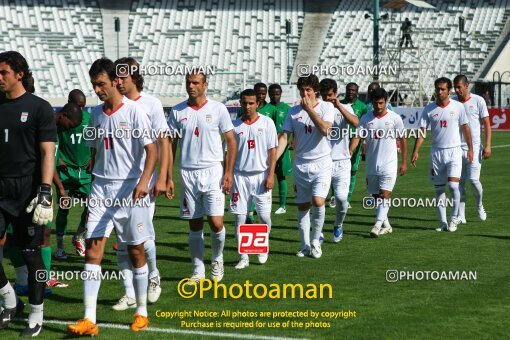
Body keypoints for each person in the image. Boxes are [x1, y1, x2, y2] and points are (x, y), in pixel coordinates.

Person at [67, 57, 157, 335]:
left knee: (134, 250)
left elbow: (152, 151)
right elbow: (96, 147)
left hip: (130, 189)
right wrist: (94, 165)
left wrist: (144, 182)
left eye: (102, 84)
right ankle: (89, 319)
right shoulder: (95, 114)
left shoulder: (134, 112)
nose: (97, 90)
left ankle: (141, 311)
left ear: (116, 81)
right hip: (100, 189)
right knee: (93, 251)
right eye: (94, 85)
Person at [0, 51, 57, 337]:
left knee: (31, 254)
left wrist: (45, 190)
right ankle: (10, 301)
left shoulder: (39, 108)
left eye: (3, 73)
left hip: (28, 191)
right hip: (0, 188)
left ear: (19, 74)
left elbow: (48, 151)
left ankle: (36, 314)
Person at [167, 69, 237, 283]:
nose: (191, 86)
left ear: (205, 85)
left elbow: (232, 141)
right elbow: (171, 143)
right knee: (194, 223)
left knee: (216, 222)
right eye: (188, 82)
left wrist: (228, 172)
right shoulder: (177, 111)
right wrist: (168, 176)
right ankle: (198, 271)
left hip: (213, 171)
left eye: (196, 82)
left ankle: (217, 259)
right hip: (188, 173)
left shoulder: (218, 109)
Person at [112, 57, 169, 309]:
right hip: (115, 184)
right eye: (116, 77)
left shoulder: (151, 104)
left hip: (142, 182)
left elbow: (163, 142)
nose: (119, 82)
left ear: (135, 77)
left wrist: (165, 177)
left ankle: (154, 275)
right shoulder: (111, 105)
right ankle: (129, 292)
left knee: (143, 237)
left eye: (123, 77)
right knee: (121, 239)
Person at [276, 74, 334, 259]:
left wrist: (309, 111)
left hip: (322, 163)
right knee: (302, 207)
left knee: (318, 202)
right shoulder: (293, 112)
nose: (304, 93)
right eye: (302, 90)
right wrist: (273, 160)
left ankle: (316, 241)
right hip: (301, 164)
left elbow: (325, 130)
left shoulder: (327, 107)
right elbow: (285, 138)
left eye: (308, 90)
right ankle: (304, 245)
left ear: (316, 91)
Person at [411, 77, 473, 232]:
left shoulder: (458, 107)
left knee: (453, 185)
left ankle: (454, 219)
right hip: (436, 153)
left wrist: (470, 149)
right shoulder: (429, 109)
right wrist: (416, 151)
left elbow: (465, 129)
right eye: (437, 89)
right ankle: (442, 222)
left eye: (443, 89)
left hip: (454, 151)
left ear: (449, 90)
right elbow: (422, 132)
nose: (439, 92)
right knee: (439, 190)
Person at [230, 89, 277, 269]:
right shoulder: (234, 126)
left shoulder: (267, 123)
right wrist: (227, 176)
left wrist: (270, 175)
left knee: (264, 217)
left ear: (258, 103)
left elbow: (272, 151)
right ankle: (243, 257)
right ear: (240, 103)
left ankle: (262, 245)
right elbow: (229, 155)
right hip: (239, 176)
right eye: (244, 103)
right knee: (240, 218)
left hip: (261, 175)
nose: (248, 106)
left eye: (251, 103)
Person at [350, 88, 407, 237]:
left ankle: (376, 225)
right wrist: (350, 150)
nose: (379, 106)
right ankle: (386, 225)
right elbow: (357, 136)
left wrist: (404, 162)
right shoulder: (366, 118)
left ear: (386, 101)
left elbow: (402, 140)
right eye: (376, 103)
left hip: (389, 164)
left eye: (381, 103)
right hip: (371, 164)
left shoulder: (395, 118)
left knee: (384, 194)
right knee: (375, 197)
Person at [319, 79, 358, 242]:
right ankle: (318, 231)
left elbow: (356, 123)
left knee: (342, 199)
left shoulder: (346, 107)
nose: (328, 98)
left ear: (336, 93)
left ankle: (338, 224)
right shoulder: (318, 109)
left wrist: (338, 106)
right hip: (322, 160)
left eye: (330, 95)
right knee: (318, 199)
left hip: (341, 161)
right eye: (325, 95)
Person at [54, 90, 91, 260]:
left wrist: (92, 158)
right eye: (78, 106)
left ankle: (79, 236)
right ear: (69, 103)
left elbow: (95, 142)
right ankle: (60, 247)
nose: (81, 109)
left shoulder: (88, 118)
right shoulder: (61, 121)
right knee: (64, 206)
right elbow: (54, 146)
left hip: (85, 171)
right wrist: (59, 160)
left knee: (92, 206)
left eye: (83, 106)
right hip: (66, 170)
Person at [453, 75, 491, 223]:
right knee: (459, 183)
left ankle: (479, 204)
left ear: (467, 86)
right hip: (456, 147)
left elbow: (486, 123)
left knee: (474, 180)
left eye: (459, 87)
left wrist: (487, 145)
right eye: (455, 87)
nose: (457, 90)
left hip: (474, 147)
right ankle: (461, 215)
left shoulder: (478, 100)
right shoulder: (453, 103)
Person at [341, 83, 368, 206]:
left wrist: (364, 142)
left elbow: (365, 126)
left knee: (352, 170)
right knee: (336, 169)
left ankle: (347, 199)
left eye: (353, 90)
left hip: (355, 141)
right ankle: (333, 196)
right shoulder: (339, 103)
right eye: (349, 90)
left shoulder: (362, 107)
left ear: (357, 92)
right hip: (340, 141)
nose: (350, 92)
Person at [268, 84, 292, 215]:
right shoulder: (265, 108)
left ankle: (282, 205)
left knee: (281, 175)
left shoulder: (287, 109)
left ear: (281, 93)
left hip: (283, 146)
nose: (275, 96)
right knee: (264, 174)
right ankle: (258, 205)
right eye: (272, 93)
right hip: (267, 147)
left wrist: (292, 140)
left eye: (277, 93)